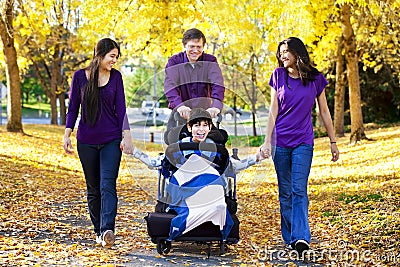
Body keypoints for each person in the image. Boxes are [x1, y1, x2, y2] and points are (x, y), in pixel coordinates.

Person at [259, 37, 339, 255]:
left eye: (286, 51)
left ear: (297, 53)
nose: (283, 55)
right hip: (281, 142)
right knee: (285, 192)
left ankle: (301, 237)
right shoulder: (278, 75)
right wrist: (267, 141)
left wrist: (333, 141)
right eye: (281, 51)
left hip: (303, 141)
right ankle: (291, 236)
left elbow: (324, 111)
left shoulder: (316, 79)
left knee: (298, 189)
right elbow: (273, 109)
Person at [63, 38, 134, 248]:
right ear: (100, 54)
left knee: (107, 185)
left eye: (116, 57)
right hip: (86, 141)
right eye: (112, 56)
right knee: (93, 189)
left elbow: (121, 108)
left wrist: (126, 135)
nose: (114, 60)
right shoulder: (79, 77)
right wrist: (67, 134)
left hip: (111, 139)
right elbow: (73, 108)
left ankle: (107, 230)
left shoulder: (116, 77)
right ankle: (98, 230)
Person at [133, 108, 265, 173]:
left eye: (204, 125)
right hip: (185, 186)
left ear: (210, 128)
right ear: (189, 127)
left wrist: (256, 157)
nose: (201, 130)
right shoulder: (180, 145)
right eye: (197, 125)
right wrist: (133, 151)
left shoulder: (215, 148)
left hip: (210, 187)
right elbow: (155, 162)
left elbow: (234, 165)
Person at [164, 28, 225, 129]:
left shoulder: (210, 61)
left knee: (215, 140)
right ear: (184, 45)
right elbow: (170, 86)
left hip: (204, 115)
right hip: (180, 114)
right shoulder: (174, 62)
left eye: (199, 47)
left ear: (203, 47)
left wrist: (215, 106)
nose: (195, 50)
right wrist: (180, 106)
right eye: (192, 46)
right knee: (172, 140)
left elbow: (217, 84)